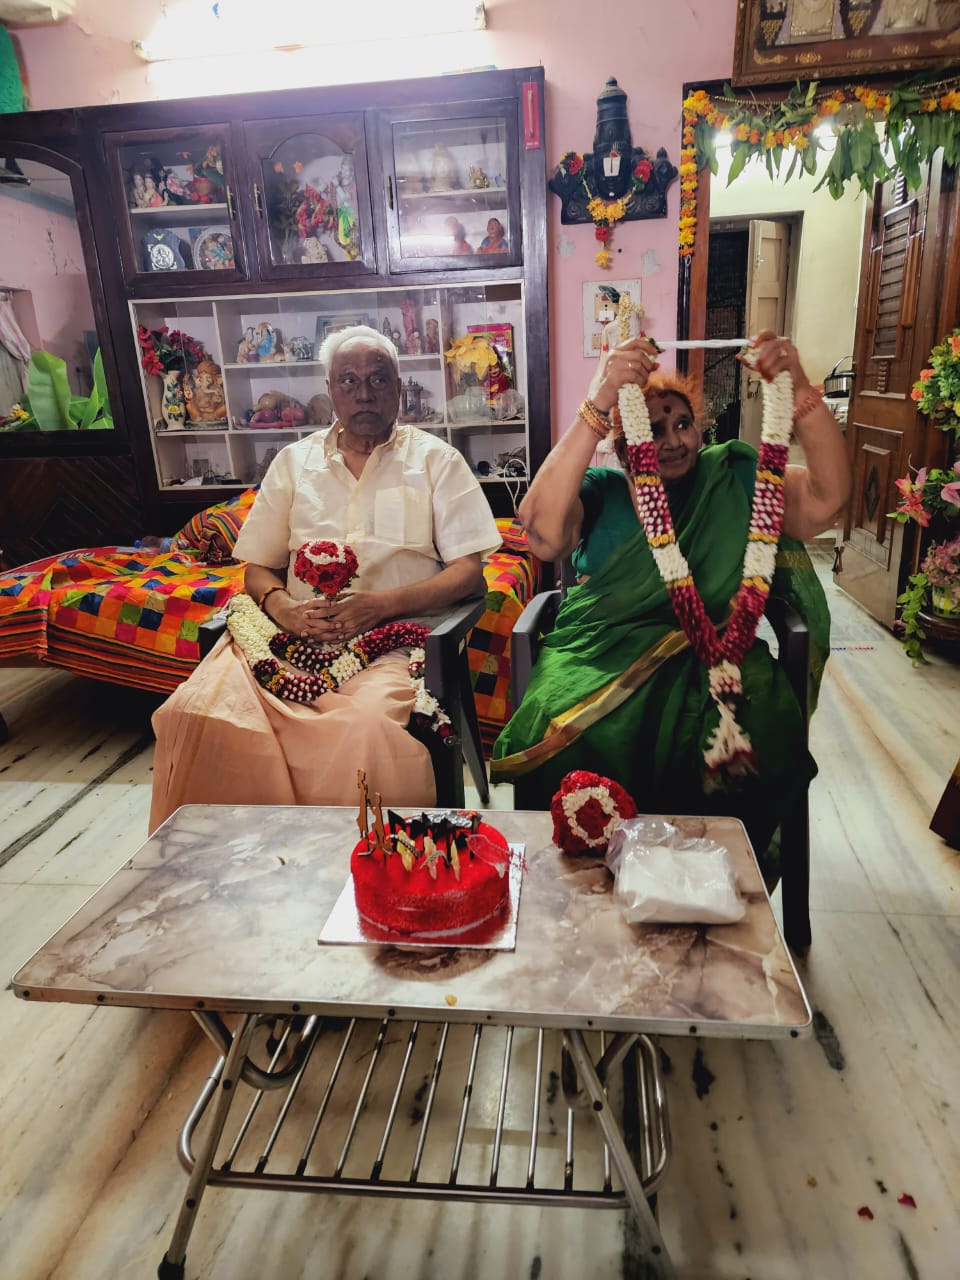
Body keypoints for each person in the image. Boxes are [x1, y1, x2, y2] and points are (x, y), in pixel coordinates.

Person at [491, 329, 851, 880]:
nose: (674, 440)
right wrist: (599, 399)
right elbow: (540, 535)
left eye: (683, 424)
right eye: (654, 429)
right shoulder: (603, 491)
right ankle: (584, 887)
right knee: (563, 726)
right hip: (598, 654)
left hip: (716, 655)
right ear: (624, 443)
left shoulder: (730, 476)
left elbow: (827, 499)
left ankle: (713, 884)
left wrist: (799, 385)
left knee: (761, 726)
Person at [149, 325, 500, 833]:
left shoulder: (436, 461)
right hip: (288, 640)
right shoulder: (295, 463)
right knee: (195, 713)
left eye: (378, 379)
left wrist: (381, 606)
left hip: (391, 645)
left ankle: (351, 860)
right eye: (349, 380)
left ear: (398, 388)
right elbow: (258, 567)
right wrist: (282, 608)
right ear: (330, 389)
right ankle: (238, 857)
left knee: (363, 732)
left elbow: (468, 573)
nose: (364, 393)